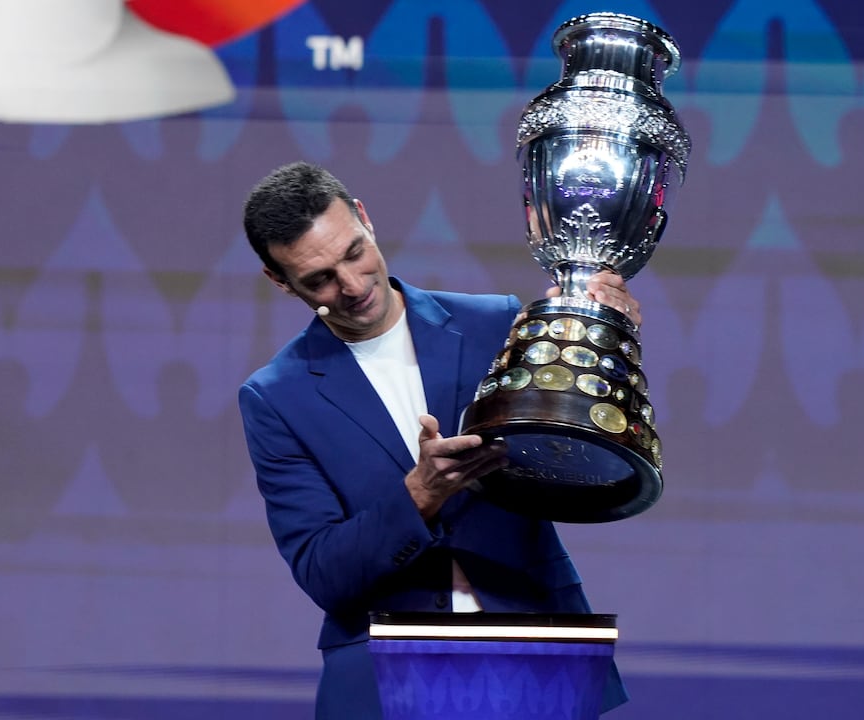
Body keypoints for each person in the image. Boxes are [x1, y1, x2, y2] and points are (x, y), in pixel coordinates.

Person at [238, 161, 634, 718]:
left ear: (364, 218)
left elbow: (579, 457)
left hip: (535, 652)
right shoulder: (276, 397)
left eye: (353, 253)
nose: (351, 287)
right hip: (382, 676)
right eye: (318, 279)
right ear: (279, 281)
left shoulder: (493, 323)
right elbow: (323, 571)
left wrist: (597, 334)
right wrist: (419, 495)